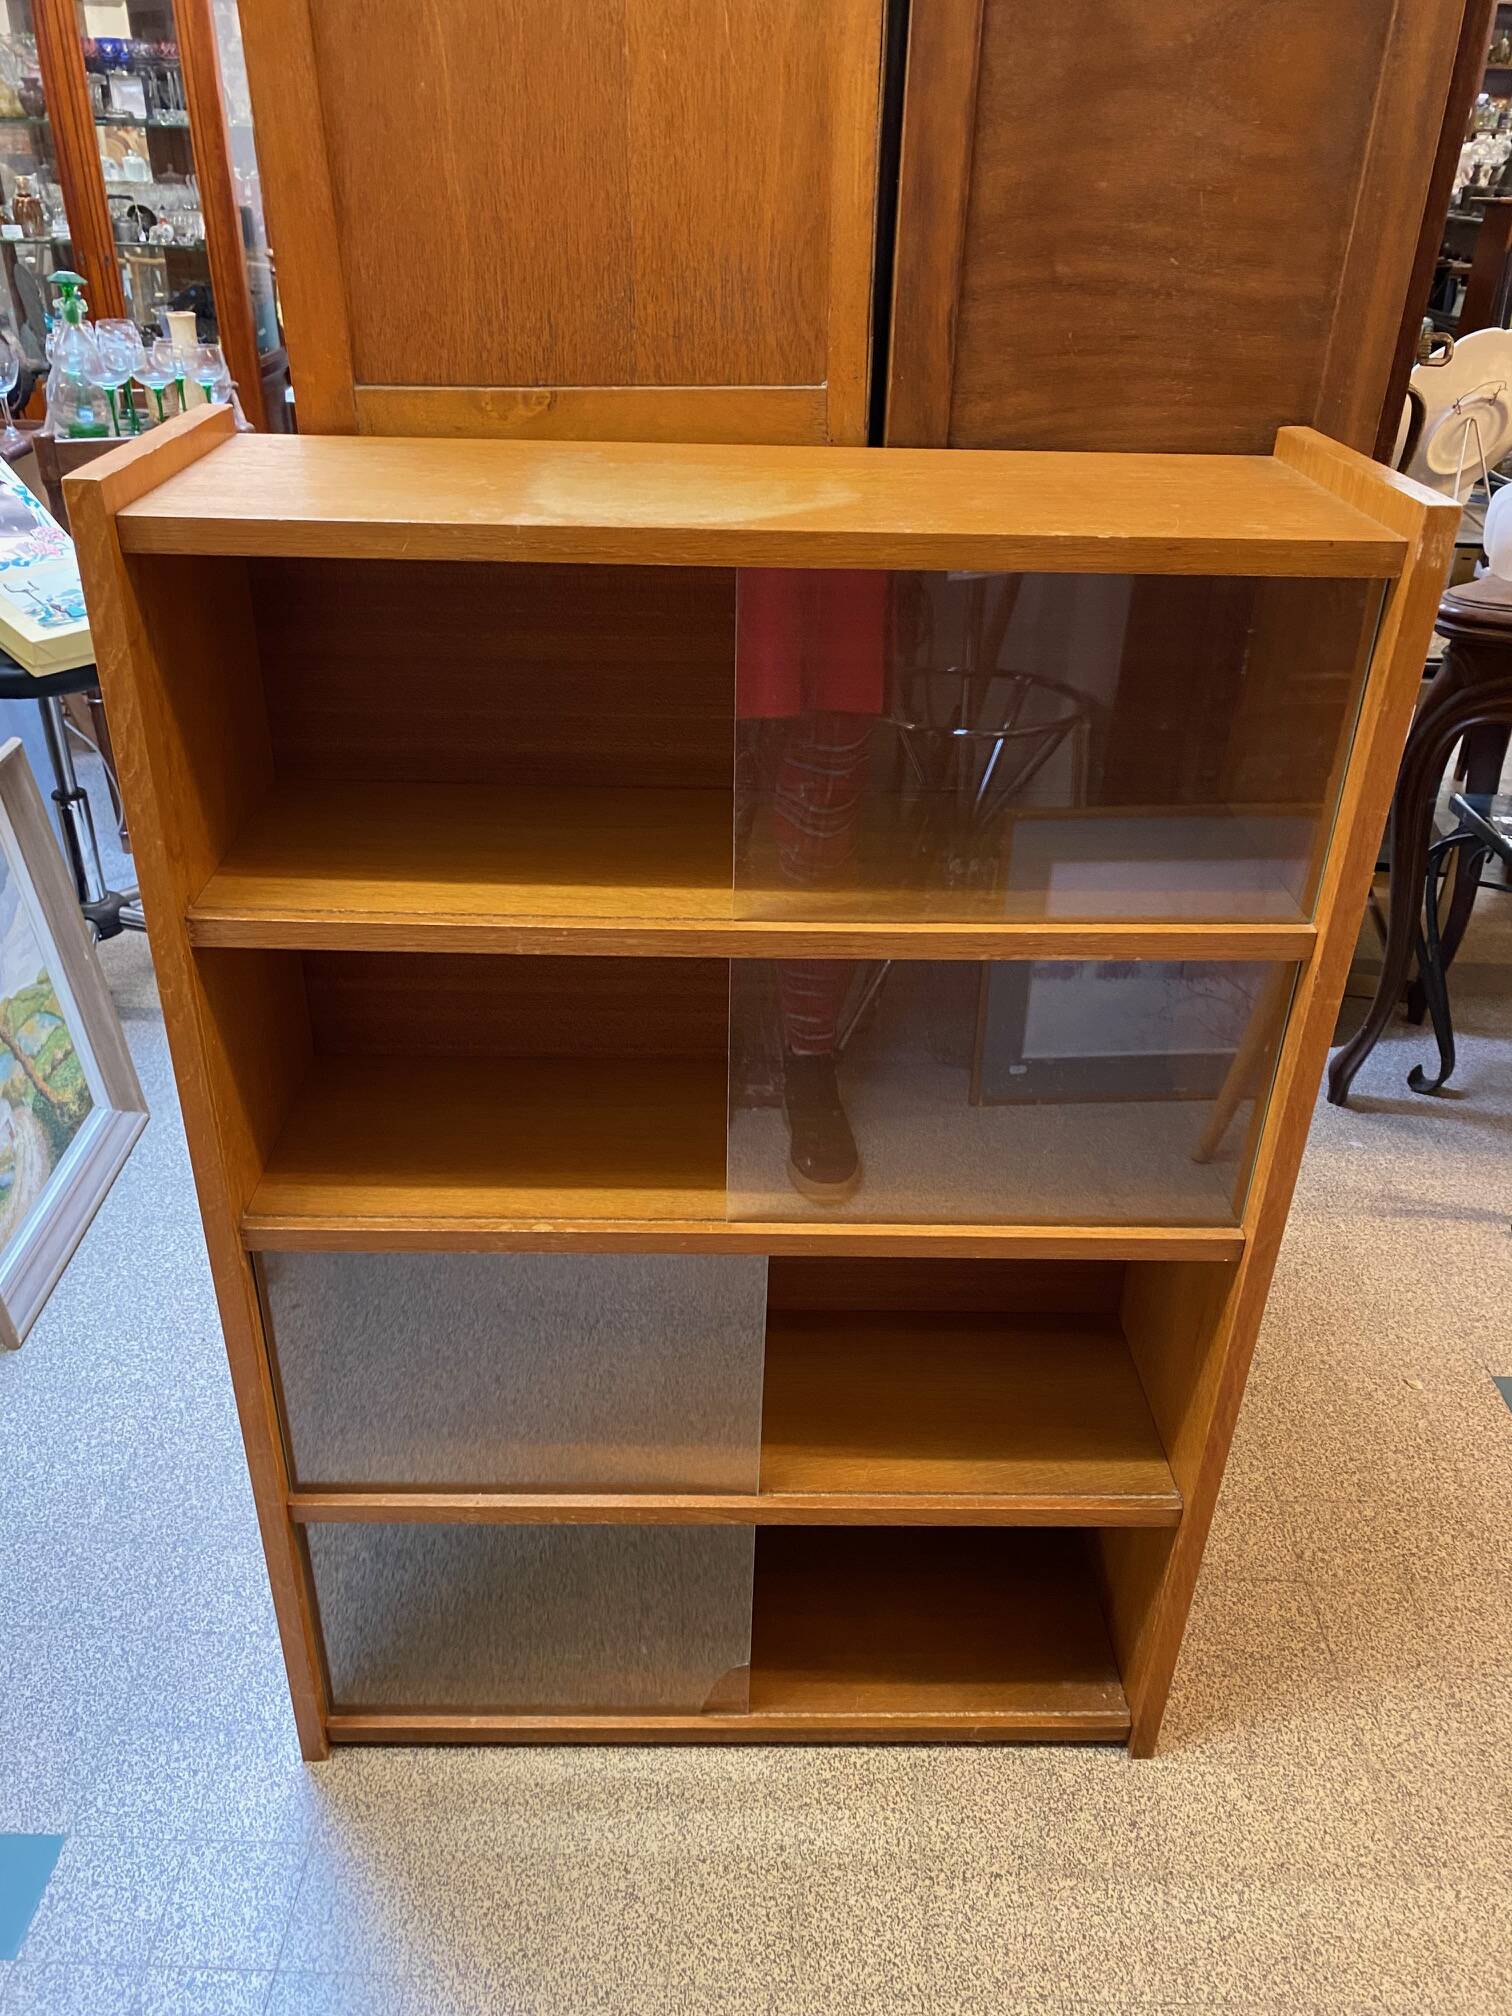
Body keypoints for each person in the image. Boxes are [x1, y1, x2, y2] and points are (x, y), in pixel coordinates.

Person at [736, 568, 889, 1202]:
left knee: (818, 846)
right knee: (688, 824)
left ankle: (809, 1059)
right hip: (692, 499)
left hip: (835, 524)